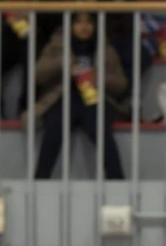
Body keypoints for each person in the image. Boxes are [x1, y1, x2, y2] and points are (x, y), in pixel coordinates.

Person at [31, 12, 127, 180]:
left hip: (94, 100)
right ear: (70, 26)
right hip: (63, 98)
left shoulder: (105, 48)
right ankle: (40, 180)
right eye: (78, 22)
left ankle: (116, 181)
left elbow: (121, 84)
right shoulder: (57, 46)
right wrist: (64, 66)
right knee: (54, 128)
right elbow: (38, 74)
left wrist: (98, 77)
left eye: (88, 22)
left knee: (101, 130)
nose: (84, 27)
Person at [74, 0, 144, 88]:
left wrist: (98, 4)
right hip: (88, 43)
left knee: (138, 54)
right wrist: (89, 3)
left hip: (117, 40)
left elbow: (126, 25)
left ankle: (124, 99)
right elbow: (77, 28)